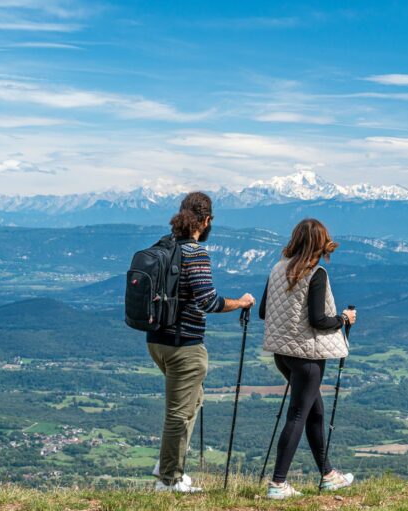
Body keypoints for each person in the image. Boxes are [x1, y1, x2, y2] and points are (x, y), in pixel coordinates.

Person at [148, 191, 255, 493]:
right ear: (206, 220)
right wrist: (241, 303)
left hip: (157, 340)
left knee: (193, 401)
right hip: (185, 344)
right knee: (179, 412)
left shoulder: (163, 246)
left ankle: (168, 464)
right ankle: (168, 480)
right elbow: (208, 301)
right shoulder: (195, 253)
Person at [258, 218, 356, 499]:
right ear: (320, 243)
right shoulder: (317, 274)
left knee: (315, 411)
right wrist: (343, 319)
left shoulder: (277, 269)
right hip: (307, 357)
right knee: (299, 414)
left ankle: (327, 475)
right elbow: (318, 320)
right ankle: (278, 484)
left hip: (282, 355)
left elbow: (265, 312)